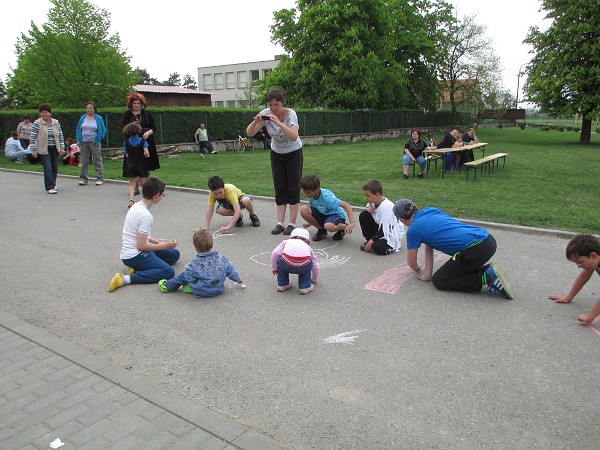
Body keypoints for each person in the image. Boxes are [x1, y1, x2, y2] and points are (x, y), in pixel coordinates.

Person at [393, 198, 513, 299]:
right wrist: (427, 274)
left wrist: (418, 268)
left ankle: (486, 277)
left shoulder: (414, 230)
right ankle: (486, 270)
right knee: (455, 268)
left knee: (440, 280)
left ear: (402, 220)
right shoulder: (431, 210)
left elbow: (412, 263)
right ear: (416, 207)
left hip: (475, 250)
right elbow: (429, 242)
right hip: (488, 240)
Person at [246, 88, 303, 236]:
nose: (273, 108)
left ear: (282, 103)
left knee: (293, 186)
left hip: (293, 152)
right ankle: (280, 223)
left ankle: (292, 223)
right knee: (280, 187)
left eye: (276, 105)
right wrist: (255, 122)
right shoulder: (266, 113)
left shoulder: (291, 114)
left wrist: (279, 123)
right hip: (277, 153)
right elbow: (249, 133)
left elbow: (293, 136)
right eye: (270, 105)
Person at [108, 177, 180, 292]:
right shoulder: (146, 216)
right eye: (162, 195)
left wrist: (157, 241)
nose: (162, 197)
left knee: (174, 254)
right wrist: (164, 246)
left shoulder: (136, 206)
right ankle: (125, 279)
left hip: (135, 252)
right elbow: (141, 246)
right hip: (134, 255)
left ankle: (140, 267)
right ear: (156, 195)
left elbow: (137, 233)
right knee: (168, 272)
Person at [158, 228, 243, 298]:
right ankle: (189, 287)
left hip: (201, 291)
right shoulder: (222, 259)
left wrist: (188, 281)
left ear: (195, 247)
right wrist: (238, 279)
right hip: (218, 289)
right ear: (212, 244)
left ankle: (167, 286)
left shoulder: (195, 263)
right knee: (192, 275)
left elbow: (188, 278)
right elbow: (231, 270)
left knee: (184, 276)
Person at [548, 234, 600, 324]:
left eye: (580, 262)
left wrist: (590, 316)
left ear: (593, 255)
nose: (579, 266)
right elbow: (584, 276)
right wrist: (568, 297)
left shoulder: (594, 259)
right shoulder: (594, 260)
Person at [122, 92, 159, 195]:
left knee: (146, 163)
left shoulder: (147, 114)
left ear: (141, 104)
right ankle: (135, 186)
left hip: (146, 141)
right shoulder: (127, 114)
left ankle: (147, 186)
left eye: (138, 103)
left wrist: (148, 133)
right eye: (134, 103)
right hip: (133, 143)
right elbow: (124, 128)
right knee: (133, 163)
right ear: (131, 104)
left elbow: (154, 128)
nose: (136, 105)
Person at [299, 174, 355, 242]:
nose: (306, 194)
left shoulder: (327, 197)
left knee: (328, 226)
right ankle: (322, 230)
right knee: (303, 209)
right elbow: (316, 209)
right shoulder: (311, 196)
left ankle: (342, 227)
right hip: (324, 214)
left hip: (336, 215)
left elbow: (346, 205)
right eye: (304, 191)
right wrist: (310, 223)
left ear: (317, 189)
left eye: (308, 192)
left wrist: (352, 223)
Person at [358, 179, 404, 255]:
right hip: (381, 228)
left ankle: (387, 247)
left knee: (378, 248)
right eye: (365, 195)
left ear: (377, 195)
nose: (366, 198)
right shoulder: (373, 202)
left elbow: (385, 229)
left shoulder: (386, 208)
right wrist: (367, 209)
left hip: (391, 233)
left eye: (368, 196)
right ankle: (370, 240)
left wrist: (372, 241)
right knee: (363, 215)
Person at [271, 227, 320, 295]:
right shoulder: (308, 247)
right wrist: (314, 278)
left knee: (282, 258)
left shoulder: (286, 242)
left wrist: (274, 267)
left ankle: (282, 284)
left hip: (286, 264)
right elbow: (315, 264)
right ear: (308, 241)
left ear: (290, 237)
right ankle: (304, 287)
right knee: (310, 262)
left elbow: (275, 253)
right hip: (303, 266)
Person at [29, 104, 65, 194]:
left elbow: (60, 135)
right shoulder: (37, 123)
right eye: (42, 113)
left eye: (45, 113)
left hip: (55, 147)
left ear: (50, 113)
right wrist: (33, 149)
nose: (44, 115)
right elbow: (32, 137)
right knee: (47, 167)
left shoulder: (56, 122)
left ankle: (53, 183)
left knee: (55, 167)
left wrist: (62, 147)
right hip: (44, 148)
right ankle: (50, 187)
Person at [76, 102, 106, 186]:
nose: (88, 109)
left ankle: (100, 178)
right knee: (84, 160)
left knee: (97, 159)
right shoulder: (83, 118)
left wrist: (99, 138)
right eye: (87, 107)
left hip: (94, 141)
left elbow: (103, 129)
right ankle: (83, 178)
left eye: (90, 107)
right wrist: (79, 139)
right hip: (84, 142)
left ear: (94, 109)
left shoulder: (98, 118)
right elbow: (79, 129)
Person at [123, 123, 150, 209]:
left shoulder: (126, 142)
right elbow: (146, 152)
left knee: (132, 184)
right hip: (140, 163)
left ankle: (131, 200)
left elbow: (126, 155)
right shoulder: (142, 141)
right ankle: (146, 199)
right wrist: (147, 156)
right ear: (138, 131)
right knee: (143, 182)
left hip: (130, 164)